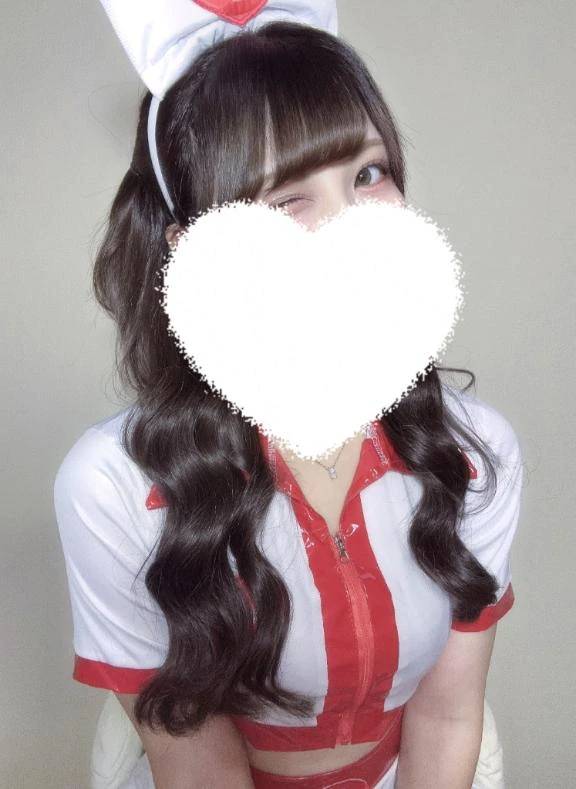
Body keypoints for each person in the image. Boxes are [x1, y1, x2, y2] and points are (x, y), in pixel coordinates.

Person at [54, 14, 524, 789]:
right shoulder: (111, 485)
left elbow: (446, 716)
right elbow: (194, 760)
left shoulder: (475, 450)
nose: (354, 226)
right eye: (285, 200)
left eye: (368, 174)